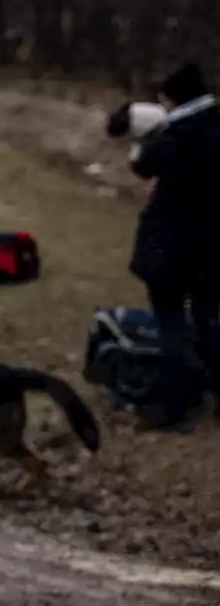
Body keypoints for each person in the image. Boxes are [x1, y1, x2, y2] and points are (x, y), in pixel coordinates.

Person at [129, 63, 220, 431]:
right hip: (214, 246)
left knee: (171, 324)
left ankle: (177, 407)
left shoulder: (174, 136)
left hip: (170, 245)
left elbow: (142, 165)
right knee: (210, 321)